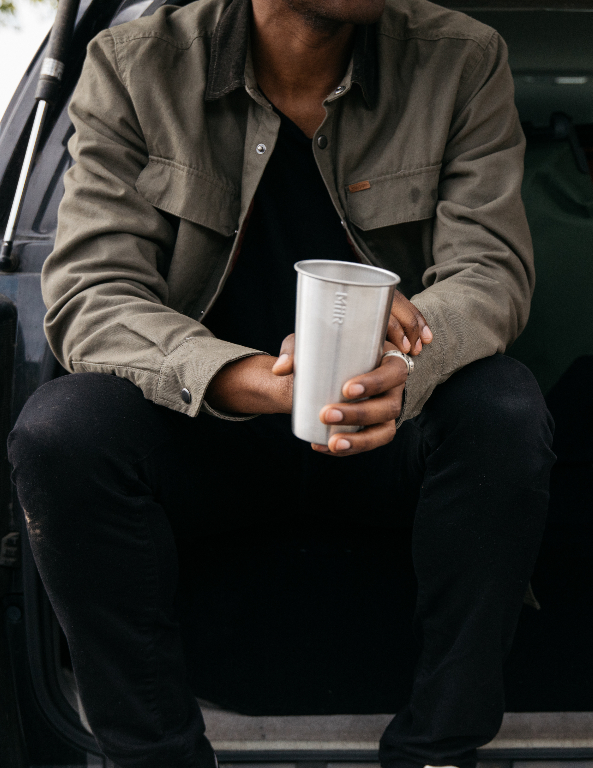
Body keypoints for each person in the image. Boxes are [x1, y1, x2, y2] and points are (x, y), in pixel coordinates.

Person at [6, 0, 555, 764]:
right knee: (61, 429)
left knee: (503, 407)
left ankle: (437, 750)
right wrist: (252, 379)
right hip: (212, 436)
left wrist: (405, 363)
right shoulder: (134, 64)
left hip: (388, 431)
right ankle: (155, 755)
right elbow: (92, 295)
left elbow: (490, 271)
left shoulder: (461, 59)